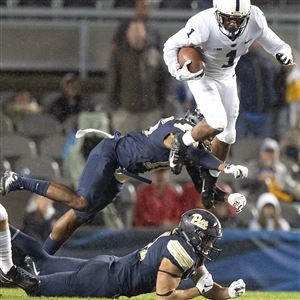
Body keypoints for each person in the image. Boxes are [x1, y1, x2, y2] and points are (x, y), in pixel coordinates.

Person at [0, 109, 248, 255]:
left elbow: (202, 187)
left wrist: (227, 197)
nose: (209, 140)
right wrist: (225, 166)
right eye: (208, 134)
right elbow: (183, 146)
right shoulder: (177, 130)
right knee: (82, 201)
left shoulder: (190, 149)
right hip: (111, 154)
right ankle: (18, 180)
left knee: (79, 216)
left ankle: (42, 259)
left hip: (122, 172)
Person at [163, 0, 294, 206]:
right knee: (217, 122)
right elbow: (170, 45)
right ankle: (181, 141)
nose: (233, 24)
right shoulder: (203, 23)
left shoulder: (254, 18)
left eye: (237, 19)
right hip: (202, 74)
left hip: (227, 76)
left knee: (229, 135)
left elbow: (273, 42)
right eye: (228, 19)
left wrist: (283, 51)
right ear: (217, 13)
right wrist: (177, 71)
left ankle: (209, 182)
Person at [0, 204, 246, 299]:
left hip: (108, 266)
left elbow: (207, 284)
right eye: (207, 239)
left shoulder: (184, 246)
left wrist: (228, 293)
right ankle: (11, 271)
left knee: (44, 259)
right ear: (195, 234)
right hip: (105, 281)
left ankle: (5, 225)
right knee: (36, 287)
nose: (210, 245)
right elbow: (165, 298)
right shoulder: (179, 253)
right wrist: (195, 291)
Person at [107, 18, 167, 133]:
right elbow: (112, 81)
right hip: (126, 112)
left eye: (139, 32)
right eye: (133, 32)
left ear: (144, 33)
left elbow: (163, 80)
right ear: (128, 34)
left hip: (151, 112)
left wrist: (161, 105)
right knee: (125, 147)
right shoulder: (119, 54)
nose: (136, 36)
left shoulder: (154, 52)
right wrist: (115, 107)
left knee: (150, 148)